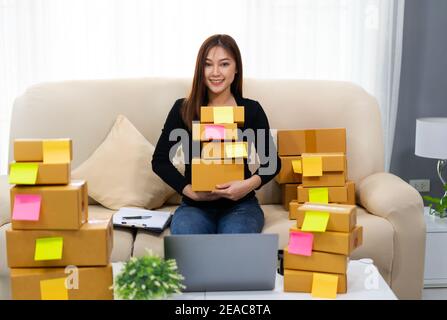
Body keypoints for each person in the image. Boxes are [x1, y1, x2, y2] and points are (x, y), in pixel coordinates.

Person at [152, 34, 281, 234]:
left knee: (235, 240)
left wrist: (246, 186)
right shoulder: (184, 109)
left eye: (224, 64)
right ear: (200, 69)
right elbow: (160, 160)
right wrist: (189, 191)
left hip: (241, 207)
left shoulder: (251, 110)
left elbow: (271, 162)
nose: (215, 73)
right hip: (195, 208)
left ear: (236, 68)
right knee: (188, 239)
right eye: (208, 64)